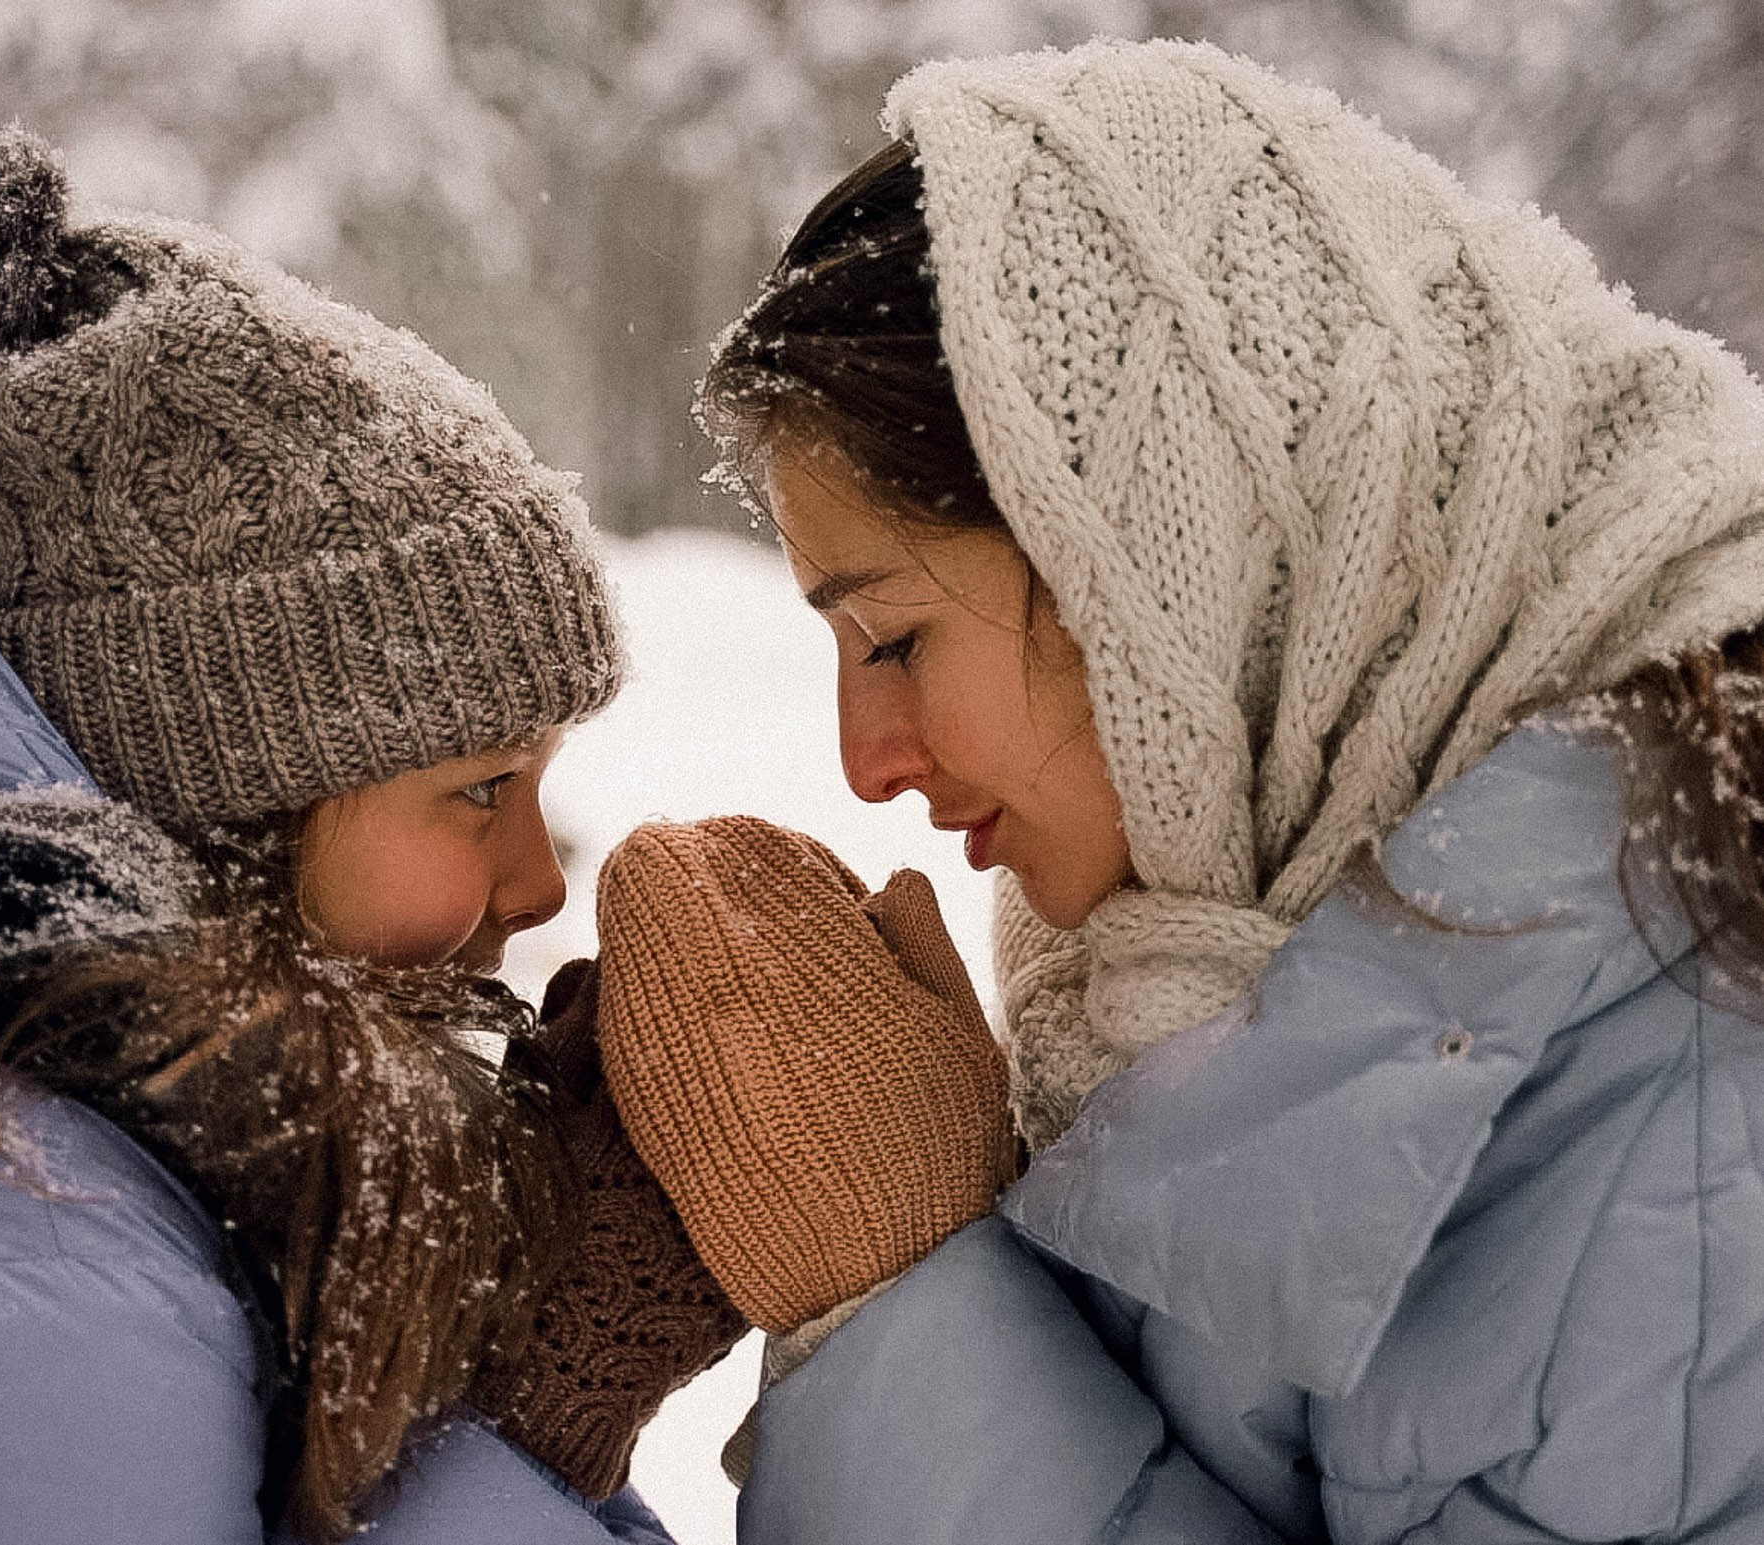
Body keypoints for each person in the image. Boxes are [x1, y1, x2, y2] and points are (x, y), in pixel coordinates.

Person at [588, 38, 1764, 1544]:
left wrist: (901, 1307)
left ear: (1167, 562)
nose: (862, 758)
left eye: (896, 638)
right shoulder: (1229, 953)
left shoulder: (1697, 1074)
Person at [0, 128, 739, 1545]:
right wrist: (531, 1418)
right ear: (226, 781)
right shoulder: (5, 1237)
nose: (535, 881)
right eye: (477, 789)